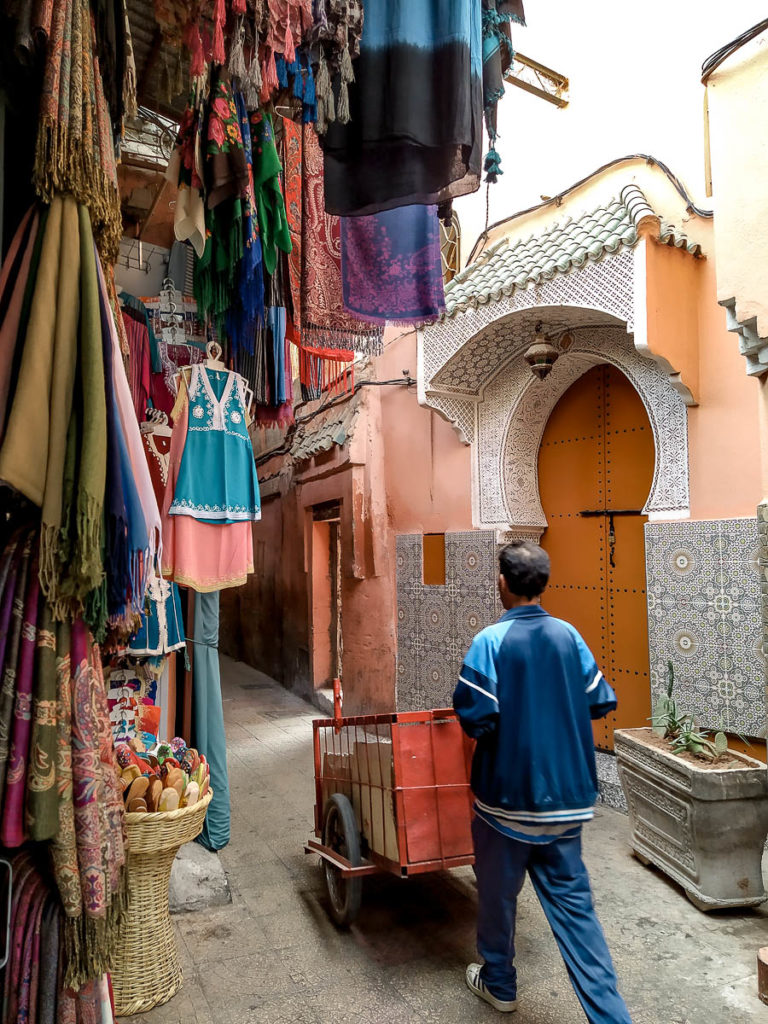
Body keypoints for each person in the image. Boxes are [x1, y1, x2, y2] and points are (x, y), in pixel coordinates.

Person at [453, 540, 632, 1023]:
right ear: (542, 584)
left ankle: (499, 983)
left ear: (503, 583)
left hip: (507, 803)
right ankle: (612, 1016)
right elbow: (600, 700)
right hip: (568, 804)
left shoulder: (490, 641)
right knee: (578, 918)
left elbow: (474, 714)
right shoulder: (569, 636)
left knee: (495, 897)